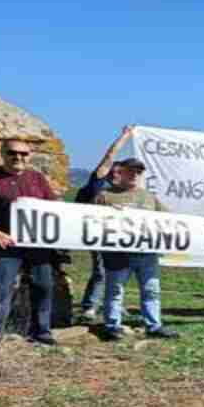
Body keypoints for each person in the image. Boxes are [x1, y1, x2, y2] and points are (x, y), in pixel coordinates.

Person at [0, 138, 60, 350]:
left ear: (29, 156)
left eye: (23, 154)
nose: (18, 157)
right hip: (7, 243)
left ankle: (42, 332)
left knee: (44, 286)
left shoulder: (37, 178)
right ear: (3, 153)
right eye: (12, 153)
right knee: (0, 288)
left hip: (38, 243)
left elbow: (53, 207)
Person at [94, 157, 180, 341]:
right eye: (131, 170)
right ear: (120, 172)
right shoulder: (105, 196)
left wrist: (203, 220)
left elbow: (171, 219)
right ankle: (112, 326)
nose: (134, 175)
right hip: (117, 254)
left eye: (138, 172)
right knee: (115, 290)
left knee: (151, 290)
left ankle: (154, 326)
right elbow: (89, 219)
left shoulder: (148, 197)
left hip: (146, 253)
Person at [76, 126, 134, 323]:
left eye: (121, 172)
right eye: (115, 171)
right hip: (96, 233)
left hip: (116, 235)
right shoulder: (97, 184)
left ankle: (114, 304)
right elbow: (109, 156)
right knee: (101, 270)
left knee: (119, 270)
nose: (118, 174)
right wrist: (124, 136)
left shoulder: (120, 191)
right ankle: (90, 307)